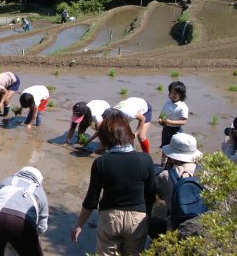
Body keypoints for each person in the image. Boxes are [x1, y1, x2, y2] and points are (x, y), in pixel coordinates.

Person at [70, 108, 155, 256]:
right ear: (128, 134)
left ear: (105, 138)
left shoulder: (101, 163)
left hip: (110, 218)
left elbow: (92, 200)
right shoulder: (146, 160)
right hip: (137, 218)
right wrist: (146, 216)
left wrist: (79, 225)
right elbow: (150, 193)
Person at [0, 167, 49, 256]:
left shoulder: (6, 181)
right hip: (20, 222)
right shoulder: (40, 192)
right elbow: (42, 227)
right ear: (38, 180)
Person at [153, 133, 202, 235]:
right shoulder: (206, 173)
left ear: (172, 156)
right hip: (201, 224)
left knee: (152, 223)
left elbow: (160, 196)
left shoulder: (165, 176)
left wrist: (164, 168)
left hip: (177, 227)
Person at [158, 81, 189, 167]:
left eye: (175, 93)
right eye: (171, 92)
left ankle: (171, 165)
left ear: (181, 94)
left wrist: (170, 121)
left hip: (176, 131)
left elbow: (184, 121)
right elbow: (162, 114)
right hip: (166, 129)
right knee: (164, 148)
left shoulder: (183, 107)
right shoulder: (167, 102)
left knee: (174, 150)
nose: (173, 95)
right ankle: (162, 165)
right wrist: (160, 119)